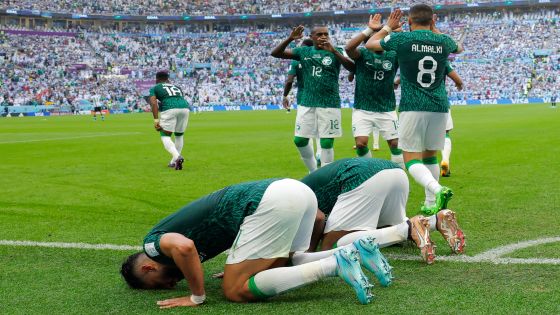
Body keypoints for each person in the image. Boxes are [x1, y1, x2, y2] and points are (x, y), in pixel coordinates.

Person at [121, 178, 391, 307]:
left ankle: (334, 265)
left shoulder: (152, 245)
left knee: (235, 290)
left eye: (160, 284)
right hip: (296, 192)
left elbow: (184, 248)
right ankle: (355, 250)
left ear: (148, 269)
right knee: (286, 262)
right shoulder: (177, 244)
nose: (171, 285)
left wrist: (196, 295)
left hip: (271, 201)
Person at [366, 6, 464, 215]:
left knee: (411, 159)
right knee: (430, 156)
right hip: (439, 106)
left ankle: (437, 190)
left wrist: (387, 27)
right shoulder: (443, 40)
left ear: (409, 21)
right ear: (432, 21)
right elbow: (459, 48)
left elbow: (370, 44)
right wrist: (435, 30)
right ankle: (430, 204)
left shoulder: (403, 40)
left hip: (413, 106)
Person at [299, 158, 465, 265]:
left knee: (332, 246)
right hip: (394, 172)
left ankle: (408, 229)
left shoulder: (289, 198)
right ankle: (436, 221)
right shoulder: (290, 187)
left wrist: (308, 252)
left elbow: (318, 218)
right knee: (383, 228)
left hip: (362, 178)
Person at [271, 25, 355, 172]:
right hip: (307, 103)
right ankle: (312, 172)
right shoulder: (304, 52)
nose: (323, 36)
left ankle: (325, 175)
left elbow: (353, 68)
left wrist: (334, 51)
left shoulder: (337, 51)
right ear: (312, 37)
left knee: (326, 143)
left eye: (326, 34)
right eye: (319, 34)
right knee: (300, 140)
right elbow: (275, 53)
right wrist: (290, 38)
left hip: (329, 103)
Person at [345, 14, 404, 168]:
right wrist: (369, 29)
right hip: (363, 108)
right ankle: (370, 171)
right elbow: (348, 48)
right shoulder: (362, 54)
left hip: (386, 108)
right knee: (361, 144)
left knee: (396, 144)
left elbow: (408, 52)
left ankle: (400, 174)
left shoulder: (393, 55)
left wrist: (398, 32)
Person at [148, 71, 190, 170]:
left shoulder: (155, 87)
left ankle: (177, 157)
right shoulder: (176, 87)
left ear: (157, 79)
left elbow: (154, 103)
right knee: (179, 135)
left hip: (169, 108)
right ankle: (173, 162)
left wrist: (156, 121)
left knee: (165, 136)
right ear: (168, 79)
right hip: (185, 108)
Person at [441, 62, 464, 177]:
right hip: (440, 100)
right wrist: (459, 84)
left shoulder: (414, 54)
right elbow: (457, 79)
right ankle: (445, 160)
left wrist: (396, 82)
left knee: (425, 137)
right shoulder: (441, 56)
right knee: (445, 133)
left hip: (420, 103)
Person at [283, 38, 314, 113]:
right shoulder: (319, 58)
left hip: (303, 98)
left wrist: (285, 96)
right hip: (320, 97)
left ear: (302, 46)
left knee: (304, 124)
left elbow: (290, 81)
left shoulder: (296, 60)